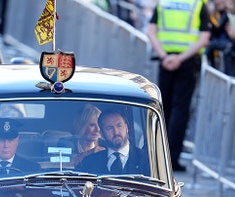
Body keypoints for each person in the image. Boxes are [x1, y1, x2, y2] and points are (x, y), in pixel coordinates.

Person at [146, 0, 211, 171]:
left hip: (165, 61)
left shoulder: (163, 3)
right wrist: (180, 59)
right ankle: (172, 160)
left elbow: (151, 32)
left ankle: (155, 157)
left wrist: (164, 57)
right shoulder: (197, 4)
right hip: (186, 63)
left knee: (161, 108)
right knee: (180, 110)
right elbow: (204, 39)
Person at [76, 109, 149, 175]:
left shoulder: (146, 160)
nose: (116, 132)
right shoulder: (90, 162)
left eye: (119, 126)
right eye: (109, 128)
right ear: (102, 133)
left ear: (126, 128)